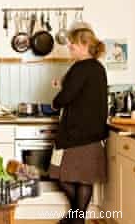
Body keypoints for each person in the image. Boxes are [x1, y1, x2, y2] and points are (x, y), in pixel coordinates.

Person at [49, 22, 108, 224]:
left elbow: (67, 96)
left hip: (77, 134)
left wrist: (55, 102)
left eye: (73, 43)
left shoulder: (81, 67)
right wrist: (63, 84)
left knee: (65, 177)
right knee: (83, 178)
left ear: (83, 45)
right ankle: (76, 217)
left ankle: (76, 218)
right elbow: (80, 90)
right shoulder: (96, 68)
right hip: (91, 134)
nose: (70, 47)